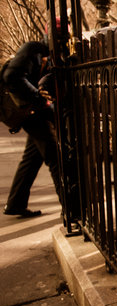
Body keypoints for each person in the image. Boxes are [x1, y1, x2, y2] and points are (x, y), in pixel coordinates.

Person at [2, 40, 62, 218]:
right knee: (55, 156)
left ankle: (15, 203)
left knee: (32, 158)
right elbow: (11, 76)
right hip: (30, 112)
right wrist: (38, 96)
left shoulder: (46, 53)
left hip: (35, 111)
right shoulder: (34, 50)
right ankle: (71, 211)